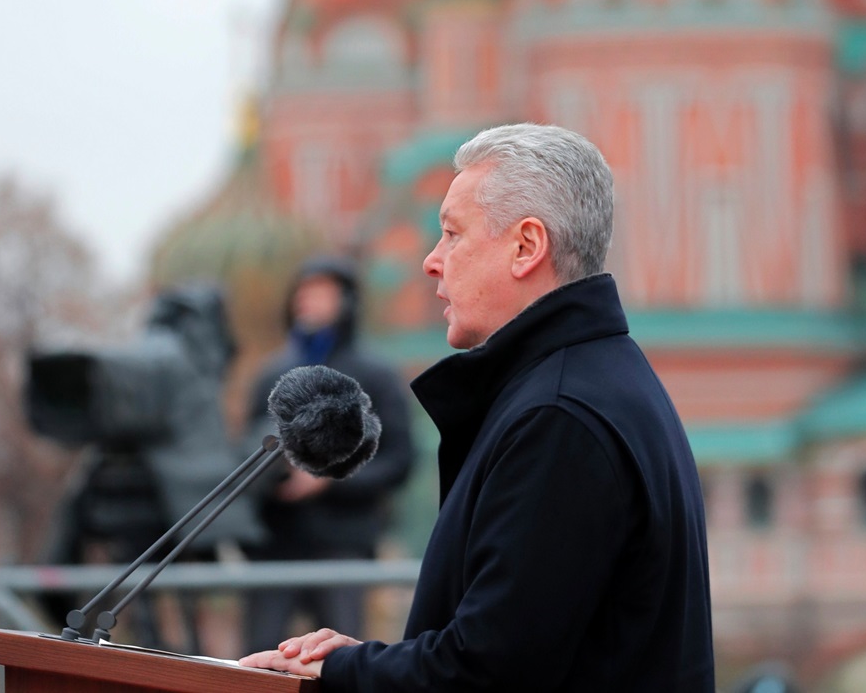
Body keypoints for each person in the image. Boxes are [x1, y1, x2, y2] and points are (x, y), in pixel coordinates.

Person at [241, 123, 715, 691]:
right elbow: (514, 645)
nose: (431, 261)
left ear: (526, 247)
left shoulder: (558, 418)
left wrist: (344, 670)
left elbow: (487, 674)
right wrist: (365, 660)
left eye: (451, 234)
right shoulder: (587, 382)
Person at [240, 254, 414, 656]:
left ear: (347, 302)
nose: (307, 301)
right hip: (274, 544)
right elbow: (244, 446)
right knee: (256, 664)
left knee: (337, 660)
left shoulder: (376, 374)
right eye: (302, 292)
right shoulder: (270, 372)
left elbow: (399, 460)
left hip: (343, 544)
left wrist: (327, 481)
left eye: (321, 292)